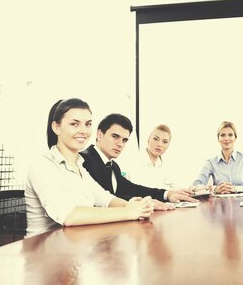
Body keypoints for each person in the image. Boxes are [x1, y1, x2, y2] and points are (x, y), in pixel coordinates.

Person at [25, 98, 154, 237]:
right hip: (42, 250)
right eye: (74, 124)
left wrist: (132, 206)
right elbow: (69, 216)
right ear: (56, 127)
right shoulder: (41, 165)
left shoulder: (79, 165)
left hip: (74, 244)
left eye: (88, 124)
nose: (83, 131)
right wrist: (129, 212)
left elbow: (104, 198)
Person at [80, 113, 197, 209]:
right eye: (115, 136)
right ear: (100, 135)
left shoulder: (113, 166)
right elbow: (102, 200)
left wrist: (166, 194)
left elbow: (132, 188)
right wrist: (142, 203)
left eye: (124, 140)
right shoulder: (83, 160)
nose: (120, 144)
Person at [191, 121, 243, 194]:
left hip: (240, 202)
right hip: (220, 203)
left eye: (230, 135)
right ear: (218, 138)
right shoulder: (211, 162)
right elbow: (196, 186)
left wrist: (235, 188)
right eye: (223, 135)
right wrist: (215, 188)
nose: (226, 138)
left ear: (235, 138)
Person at [127, 124, 176, 190]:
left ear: (168, 145)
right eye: (155, 139)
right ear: (148, 139)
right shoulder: (132, 162)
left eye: (165, 142)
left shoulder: (168, 167)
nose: (159, 144)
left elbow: (177, 188)